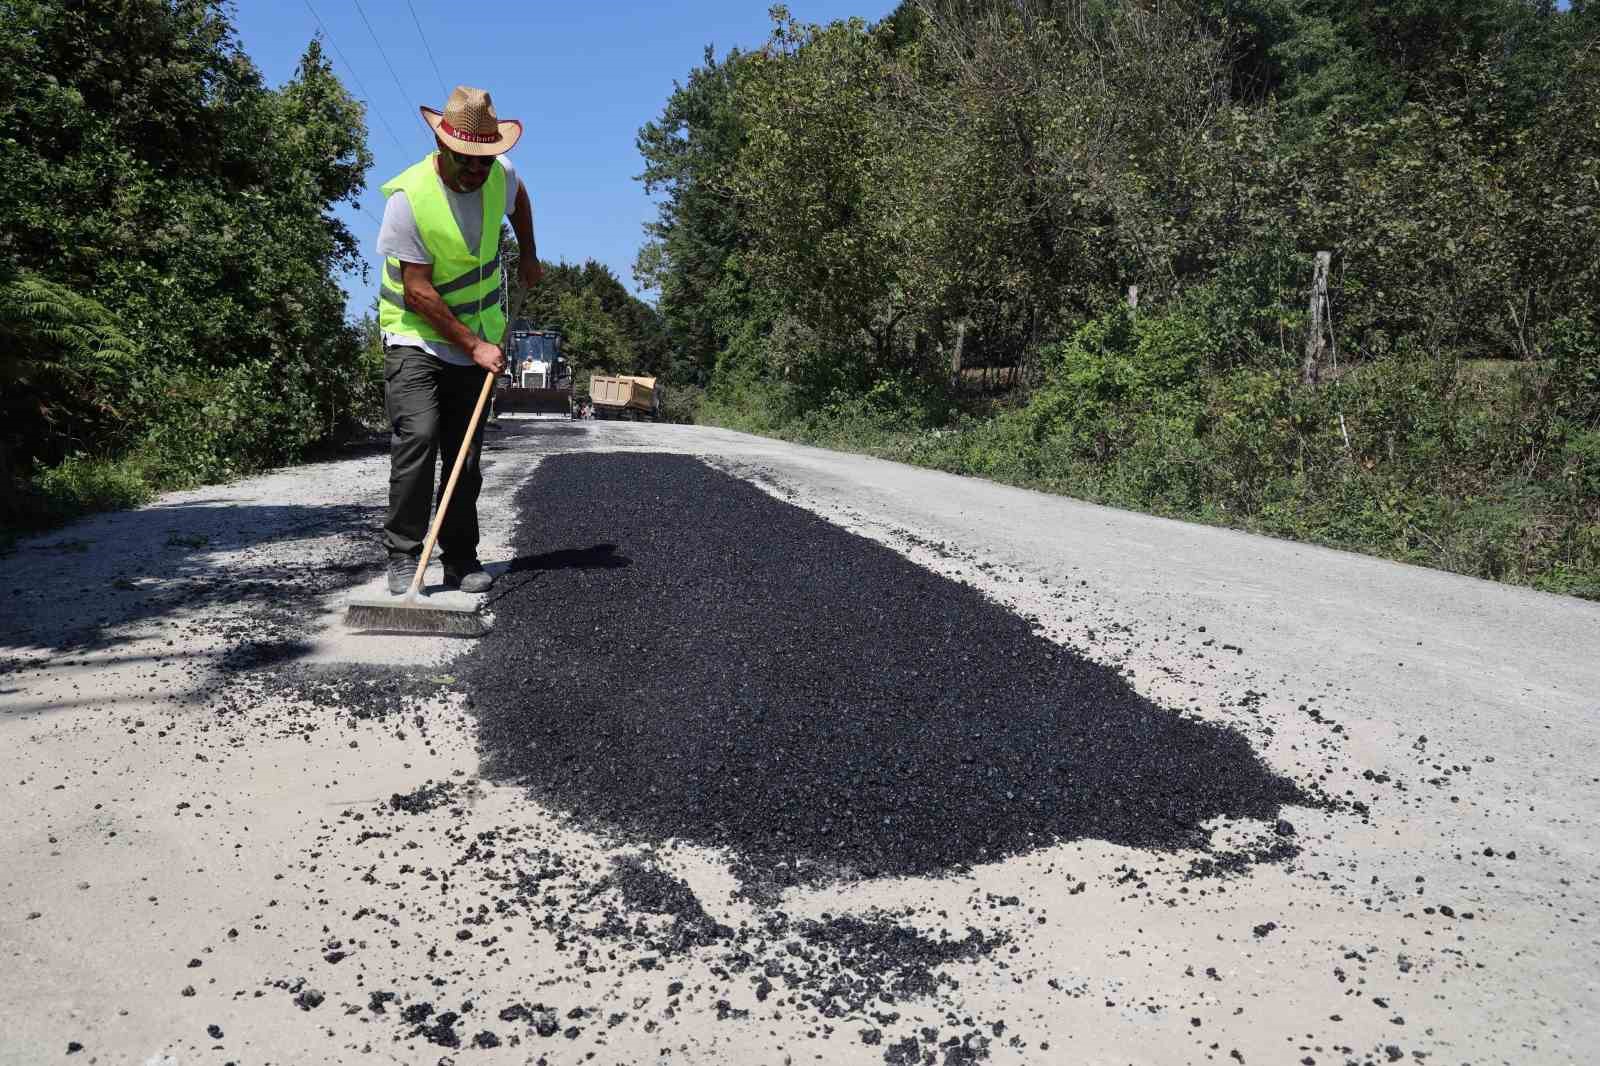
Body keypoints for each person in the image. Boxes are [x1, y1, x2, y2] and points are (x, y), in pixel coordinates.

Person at [375, 85, 542, 595]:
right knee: (419, 438)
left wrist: (529, 254)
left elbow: (519, 200)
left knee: (464, 454)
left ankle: (460, 558)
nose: (476, 172)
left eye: (484, 163)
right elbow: (419, 293)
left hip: (477, 337)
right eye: (466, 162)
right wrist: (472, 345)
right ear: (442, 148)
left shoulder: (500, 174)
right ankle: (404, 555)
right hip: (415, 336)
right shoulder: (409, 200)